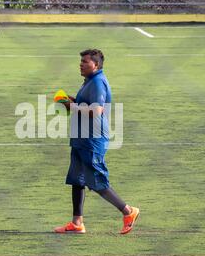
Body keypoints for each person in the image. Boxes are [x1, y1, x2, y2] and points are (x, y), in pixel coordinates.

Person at [54, 49, 140, 235]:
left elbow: (97, 110)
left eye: (85, 61)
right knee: (77, 180)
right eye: (81, 61)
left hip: (92, 140)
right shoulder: (89, 81)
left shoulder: (98, 82)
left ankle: (128, 211)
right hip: (80, 139)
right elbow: (86, 105)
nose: (81, 64)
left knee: (97, 181)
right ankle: (77, 223)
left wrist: (72, 106)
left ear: (96, 65)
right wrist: (72, 100)